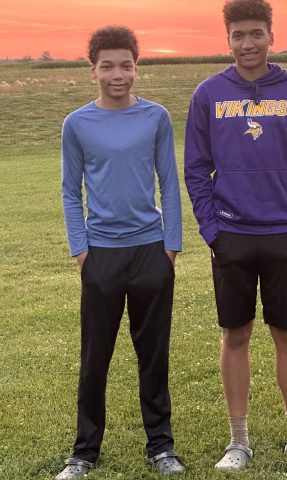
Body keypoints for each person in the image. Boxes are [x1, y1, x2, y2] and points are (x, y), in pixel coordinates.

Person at [184, 0, 287, 471]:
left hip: (284, 236)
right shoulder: (208, 94)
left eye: (256, 33)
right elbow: (195, 169)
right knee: (235, 334)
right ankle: (238, 442)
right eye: (238, 35)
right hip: (231, 236)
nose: (247, 43)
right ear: (227, 39)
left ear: (271, 36)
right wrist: (212, 230)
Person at [57, 26, 184, 479]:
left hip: (151, 252)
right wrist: (81, 252)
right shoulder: (77, 124)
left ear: (137, 67)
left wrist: (171, 247)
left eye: (126, 65)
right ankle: (84, 452)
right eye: (107, 65)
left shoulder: (156, 118)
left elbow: (169, 182)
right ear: (92, 69)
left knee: (154, 355)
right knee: (95, 358)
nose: (117, 74)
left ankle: (161, 447)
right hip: (101, 257)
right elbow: (71, 192)